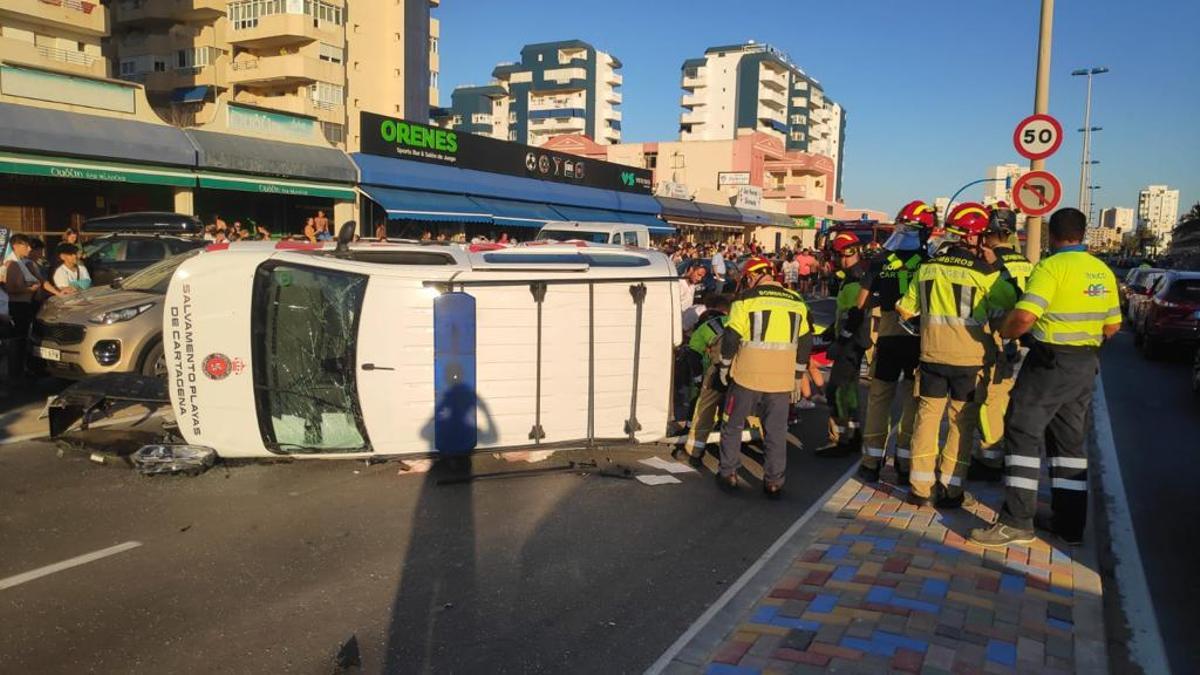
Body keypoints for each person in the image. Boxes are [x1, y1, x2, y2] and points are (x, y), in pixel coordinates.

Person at [971, 208, 1121, 547]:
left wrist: (1007, 332)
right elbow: (1112, 326)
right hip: (1085, 365)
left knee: (1021, 432)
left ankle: (1016, 522)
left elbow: (1025, 317)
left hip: (1050, 362)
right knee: (1068, 443)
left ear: (1051, 236)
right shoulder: (1102, 271)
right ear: (1082, 234)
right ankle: (1069, 524)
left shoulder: (1051, 268)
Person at [896, 203, 1005, 507]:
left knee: (927, 419)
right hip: (969, 360)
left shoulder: (927, 268)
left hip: (931, 356)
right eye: (984, 235)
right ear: (973, 237)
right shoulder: (986, 273)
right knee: (961, 423)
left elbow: (905, 308)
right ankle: (951, 489)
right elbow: (1007, 306)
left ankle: (920, 489)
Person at [715, 256, 813, 499]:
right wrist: (798, 375)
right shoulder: (796, 300)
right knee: (776, 431)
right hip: (781, 378)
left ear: (752, 276)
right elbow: (805, 341)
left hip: (747, 375)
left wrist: (724, 365)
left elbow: (731, 336)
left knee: (732, 424)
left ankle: (728, 473)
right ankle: (774, 482)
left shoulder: (745, 299)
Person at [857, 201, 936, 483]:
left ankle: (871, 463)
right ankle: (904, 463)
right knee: (913, 400)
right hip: (919, 337)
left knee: (879, 398)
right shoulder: (929, 262)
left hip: (889, 334)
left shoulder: (882, 259)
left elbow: (862, 302)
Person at [969, 203, 1033, 481]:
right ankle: (1003, 449)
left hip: (993, 340)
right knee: (1005, 397)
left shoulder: (990, 266)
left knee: (988, 400)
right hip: (1017, 341)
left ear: (988, 234)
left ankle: (991, 457)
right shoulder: (1027, 264)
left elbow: (979, 306)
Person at [816, 232, 872, 456]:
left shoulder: (857, 279)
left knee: (836, 391)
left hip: (851, 343)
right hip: (851, 341)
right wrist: (832, 330)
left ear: (852, 253)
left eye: (842, 255)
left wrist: (840, 341)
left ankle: (840, 439)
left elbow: (856, 315)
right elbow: (844, 313)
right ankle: (853, 435)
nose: (840, 260)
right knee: (849, 391)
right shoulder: (849, 278)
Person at [677, 294, 732, 465]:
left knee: (704, 410)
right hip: (738, 373)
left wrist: (698, 378)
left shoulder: (704, 328)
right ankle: (728, 454)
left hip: (716, 373)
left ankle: (694, 453)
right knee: (730, 413)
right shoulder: (735, 321)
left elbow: (693, 355)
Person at [3, 234, 42, 341]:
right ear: (16, 246)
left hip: (25, 305)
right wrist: (30, 289)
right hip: (17, 306)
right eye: (26, 246)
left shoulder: (23, 262)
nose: (29, 249)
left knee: (24, 337)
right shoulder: (12, 263)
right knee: (19, 339)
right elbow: (10, 289)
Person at [678, 262, 707, 332]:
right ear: (691, 270)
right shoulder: (678, 284)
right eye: (699, 274)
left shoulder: (693, 285)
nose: (700, 279)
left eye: (702, 277)